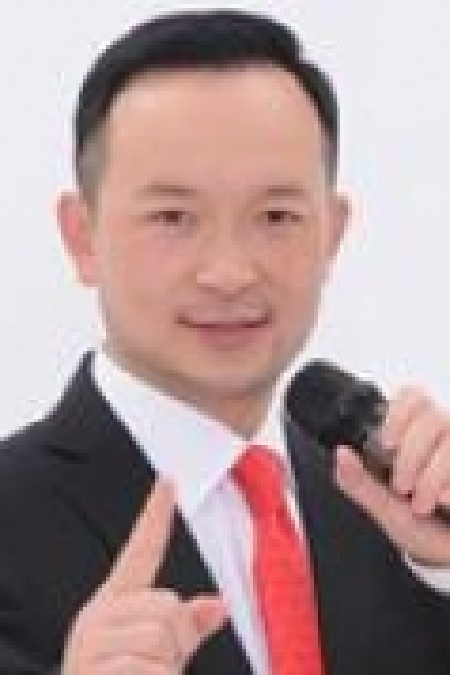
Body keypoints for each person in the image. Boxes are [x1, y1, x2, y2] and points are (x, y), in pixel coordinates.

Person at [0, 8, 450, 674]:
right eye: (173, 217)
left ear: (332, 234)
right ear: (81, 236)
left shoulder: (396, 512)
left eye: (277, 216)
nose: (230, 271)